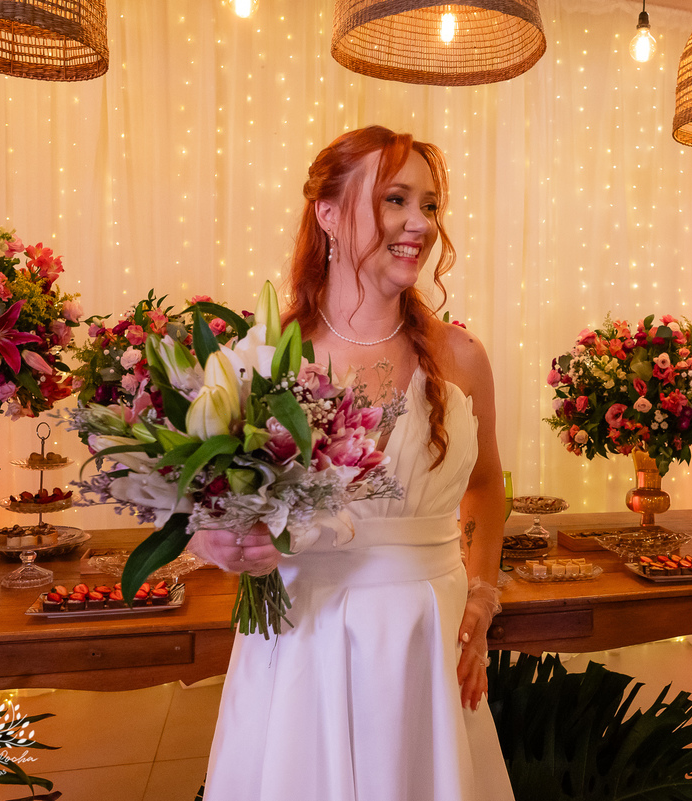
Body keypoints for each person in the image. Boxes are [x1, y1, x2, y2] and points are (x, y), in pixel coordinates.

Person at [192, 125, 514, 801]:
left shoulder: (462, 357)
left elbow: (486, 486)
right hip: (302, 644)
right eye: (396, 199)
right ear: (329, 213)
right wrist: (215, 541)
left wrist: (482, 598)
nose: (420, 223)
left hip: (426, 643)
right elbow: (209, 505)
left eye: (430, 204)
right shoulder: (263, 360)